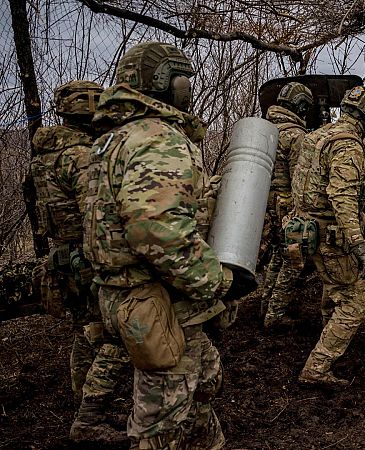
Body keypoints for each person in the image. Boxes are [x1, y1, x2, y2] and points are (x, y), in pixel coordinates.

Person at [83, 41, 246, 449]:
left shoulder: (113, 139)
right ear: (164, 81)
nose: (189, 86)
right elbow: (156, 230)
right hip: (158, 298)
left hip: (125, 292)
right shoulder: (158, 138)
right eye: (184, 77)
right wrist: (219, 281)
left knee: (205, 380)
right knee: (163, 418)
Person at [29, 80, 128, 442]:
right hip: (88, 256)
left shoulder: (42, 157)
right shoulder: (83, 156)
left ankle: (85, 403)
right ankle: (89, 417)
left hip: (61, 256)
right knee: (115, 333)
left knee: (85, 332)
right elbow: (98, 213)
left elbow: (36, 213)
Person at [289, 85, 365, 389]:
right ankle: (317, 366)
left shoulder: (316, 136)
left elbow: (304, 185)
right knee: (356, 301)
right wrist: (357, 242)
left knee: (334, 289)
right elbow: (341, 196)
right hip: (331, 234)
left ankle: (330, 337)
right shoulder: (348, 144)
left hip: (306, 230)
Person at [261, 81, 312, 330]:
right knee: (293, 259)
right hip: (288, 205)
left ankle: (265, 303)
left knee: (277, 257)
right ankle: (275, 315)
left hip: (267, 202)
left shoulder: (267, 129)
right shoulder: (296, 135)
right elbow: (299, 180)